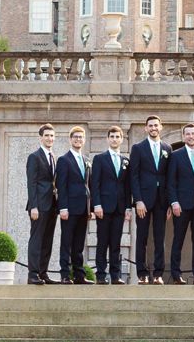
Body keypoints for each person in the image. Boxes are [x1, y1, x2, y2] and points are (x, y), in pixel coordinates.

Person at [166, 121, 194, 285]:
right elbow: (171, 182)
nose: (191, 136)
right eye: (188, 134)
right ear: (183, 137)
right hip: (181, 205)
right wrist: (174, 202)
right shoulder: (176, 155)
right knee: (178, 240)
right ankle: (176, 275)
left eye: (193, 133)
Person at [127, 116, 167, 284]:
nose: (153, 128)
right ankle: (142, 273)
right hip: (143, 200)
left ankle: (158, 274)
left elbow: (170, 176)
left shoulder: (168, 148)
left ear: (161, 127)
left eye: (156, 125)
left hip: (162, 200)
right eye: (150, 125)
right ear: (146, 128)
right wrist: (138, 200)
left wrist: (170, 202)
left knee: (160, 238)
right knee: (141, 237)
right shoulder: (138, 148)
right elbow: (133, 176)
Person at [55, 125, 92, 285]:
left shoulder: (86, 160)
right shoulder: (64, 160)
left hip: (84, 208)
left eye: (81, 137)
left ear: (84, 140)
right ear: (70, 139)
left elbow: (88, 185)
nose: (78, 140)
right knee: (67, 242)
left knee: (79, 244)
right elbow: (60, 185)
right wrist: (63, 207)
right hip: (69, 208)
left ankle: (79, 275)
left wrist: (90, 208)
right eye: (75, 137)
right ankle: (65, 274)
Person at [92, 126, 129, 284]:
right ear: (108, 139)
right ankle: (100, 275)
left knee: (116, 243)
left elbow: (128, 187)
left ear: (121, 139)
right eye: (112, 136)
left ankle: (116, 276)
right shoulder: (99, 159)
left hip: (120, 208)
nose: (114, 139)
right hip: (104, 207)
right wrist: (97, 204)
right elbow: (95, 183)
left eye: (117, 137)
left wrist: (128, 207)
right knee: (102, 242)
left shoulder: (126, 161)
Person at [25, 124, 59, 284]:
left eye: (52, 136)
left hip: (52, 205)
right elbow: (31, 183)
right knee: (37, 240)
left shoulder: (53, 157)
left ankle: (43, 273)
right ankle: (33, 275)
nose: (50, 138)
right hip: (38, 206)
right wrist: (34, 206)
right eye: (47, 135)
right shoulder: (34, 157)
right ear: (41, 137)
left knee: (47, 241)